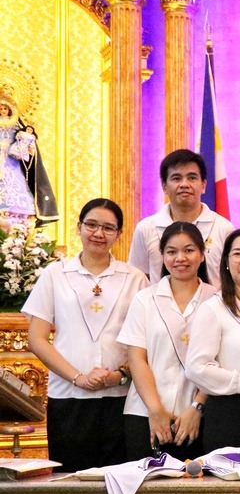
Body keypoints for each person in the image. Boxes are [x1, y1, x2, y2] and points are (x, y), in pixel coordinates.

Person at [23, 198, 147, 471]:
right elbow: (37, 339)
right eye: (91, 225)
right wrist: (78, 377)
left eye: (108, 228)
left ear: (119, 234)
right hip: (68, 395)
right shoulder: (55, 274)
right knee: (71, 480)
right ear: (78, 227)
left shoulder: (135, 278)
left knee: (121, 478)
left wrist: (119, 375)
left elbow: (147, 342)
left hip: (121, 396)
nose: (98, 233)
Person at [118, 221, 217, 461]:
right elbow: (137, 359)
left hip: (198, 417)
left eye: (189, 250)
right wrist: (155, 410)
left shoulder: (218, 299)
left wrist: (197, 406)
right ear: (162, 256)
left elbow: (220, 361)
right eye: (171, 251)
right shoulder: (144, 299)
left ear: (202, 254)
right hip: (145, 414)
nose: (180, 258)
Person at [186, 228, 240, 453]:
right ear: (226, 261)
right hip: (230, 413)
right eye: (238, 254)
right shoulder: (213, 308)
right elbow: (196, 368)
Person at [128, 149, 234, 287]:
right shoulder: (146, 228)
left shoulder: (224, 228)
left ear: (203, 185)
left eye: (192, 178)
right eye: (176, 178)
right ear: (164, 187)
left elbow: (233, 279)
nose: (184, 184)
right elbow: (138, 278)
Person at [0, 95, 58, 226]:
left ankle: (17, 215)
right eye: (0, 108)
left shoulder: (15, 126)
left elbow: (25, 142)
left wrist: (25, 143)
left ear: (10, 110)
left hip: (11, 161)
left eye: (5, 108)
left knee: (15, 185)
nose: (2, 111)